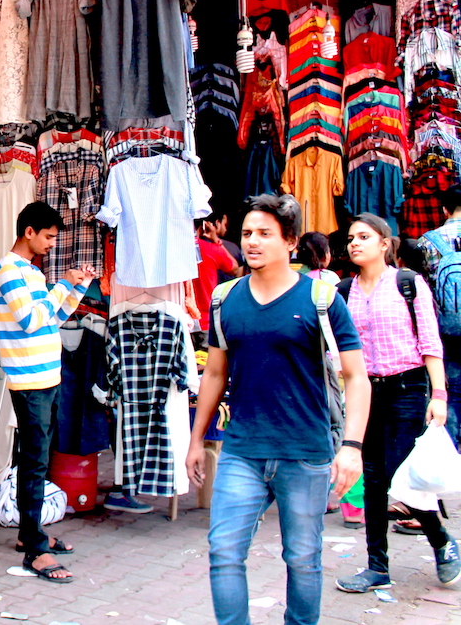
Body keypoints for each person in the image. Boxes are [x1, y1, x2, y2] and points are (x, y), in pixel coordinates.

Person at [188, 194, 369, 625]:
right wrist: (196, 438)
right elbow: (214, 373)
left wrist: (352, 446)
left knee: (303, 559)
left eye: (264, 234)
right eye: (247, 233)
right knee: (224, 552)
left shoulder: (322, 298)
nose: (251, 241)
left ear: (290, 242)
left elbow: (356, 376)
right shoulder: (224, 299)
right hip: (241, 450)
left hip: (305, 452)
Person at [335, 213, 458, 593]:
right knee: (372, 478)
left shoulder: (408, 283)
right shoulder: (344, 291)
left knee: (399, 478)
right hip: (365, 392)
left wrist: (438, 395)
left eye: (364, 237)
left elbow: (430, 344)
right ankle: (377, 567)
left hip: (406, 388)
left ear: (384, 244)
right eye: (352, 237)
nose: (355, 243)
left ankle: (441, 540)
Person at [0, 201, 92, 583]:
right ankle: (35, 548)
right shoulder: (7, 269)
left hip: (46, 376)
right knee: (34, 460)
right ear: (28, 232)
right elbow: (32, 320)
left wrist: (76, 286)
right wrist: (64, 284)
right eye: (48, 237)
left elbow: (54, 317)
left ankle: (29, 534)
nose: (52, 244)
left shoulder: (31, 273)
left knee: (37, 457)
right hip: (30, 379)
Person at [419, 185, 461, 449]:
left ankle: (454, 452)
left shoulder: (428, 241)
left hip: (447, 330)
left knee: (453, 390)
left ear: (444, 209)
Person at [194, 216, 241, 348]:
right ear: (204, 226)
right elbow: (234, 268)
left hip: (179, 320)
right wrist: (216, 241)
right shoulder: (210, 249)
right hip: (206, 321)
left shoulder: (172, 249)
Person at [206, 211, 245, 281]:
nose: (226, 229)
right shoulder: (233, 248)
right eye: (225, 225)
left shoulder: (196, 247)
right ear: (218, 223)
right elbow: (238, 275)